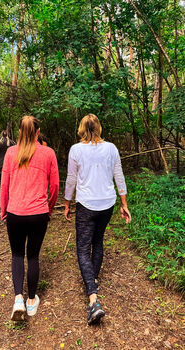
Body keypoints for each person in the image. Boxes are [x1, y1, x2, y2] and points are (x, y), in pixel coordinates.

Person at [64, 113, 131, 325]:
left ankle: (93, 299)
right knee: (98, 242)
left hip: (86, 204)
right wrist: (124, 203)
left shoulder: (76, 149)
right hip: (107, 204)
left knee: (83, 248)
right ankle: (92, 280)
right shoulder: (111, 148)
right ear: (99, 127)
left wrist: (67, 203)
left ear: (82, 128)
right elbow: (118, 175)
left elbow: (71, 179)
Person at [0, 116, 59, 321]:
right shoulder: (48, 153)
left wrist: (3, 209)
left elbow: (4, 184)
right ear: (37, 132)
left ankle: (18, 299)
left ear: (19, 132)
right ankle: (31, 301)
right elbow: (55, 186)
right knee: (32, 256)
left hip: (15, 213)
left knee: (17, 255)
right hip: (38, 214)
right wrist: (49, 209)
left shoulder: (10, 153)